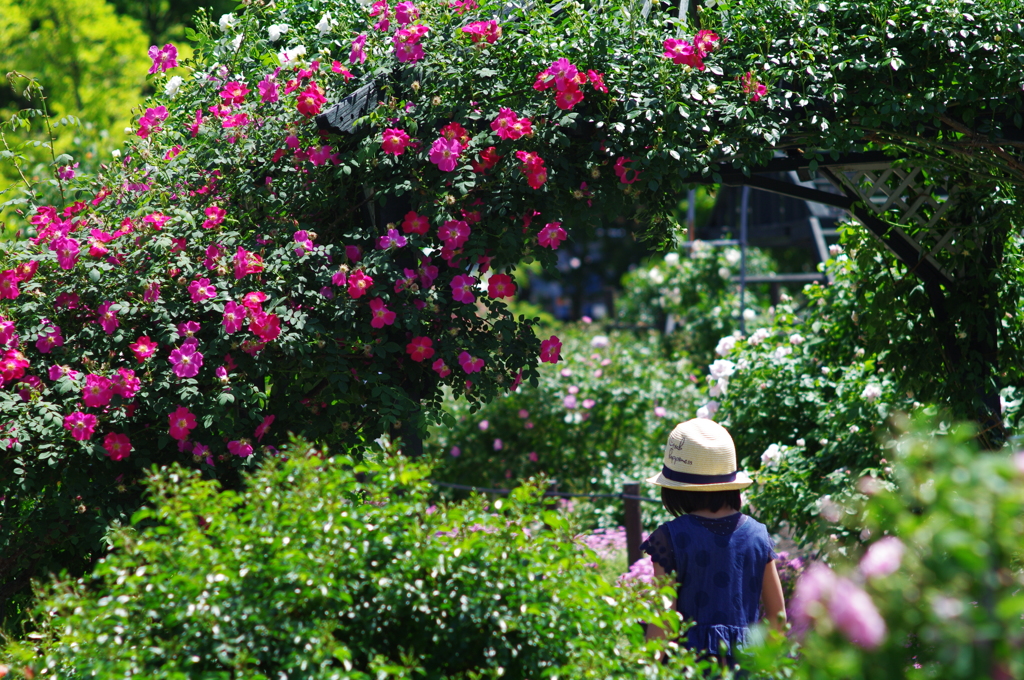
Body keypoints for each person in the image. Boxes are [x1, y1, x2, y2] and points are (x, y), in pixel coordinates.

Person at [641, 418, 786, 669]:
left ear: (676, 489)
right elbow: (777, 616)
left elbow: (665, 619)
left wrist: (645, 667)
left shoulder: (670, 538)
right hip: (745, 666)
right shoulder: (757, 536)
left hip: (689, 667)